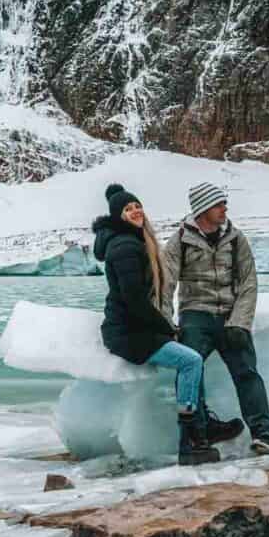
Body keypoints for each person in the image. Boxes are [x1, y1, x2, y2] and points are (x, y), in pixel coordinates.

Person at [92, 183, 220, 466]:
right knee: (191, 361)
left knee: (189, 354)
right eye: (128, 209)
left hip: (134, 328)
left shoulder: (132, 240)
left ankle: (203, 427)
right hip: (127, 333)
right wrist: (165, 328)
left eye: (137, 205)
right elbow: (135, 300)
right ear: (118, 215)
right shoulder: (125, 246)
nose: (135, 211)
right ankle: (191, 440)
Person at [163, 182, 269, 455]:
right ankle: (199, 435)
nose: (225, 208)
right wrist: (167, 323)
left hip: (230, 316)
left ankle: (265, 436)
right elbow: (166, 285)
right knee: (189, 370)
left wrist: (240, 322)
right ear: (203, 208)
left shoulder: (236, 238)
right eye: (219, 204)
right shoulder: (180, 240)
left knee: (247, 373)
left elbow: (248, 282)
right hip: (195, 315)